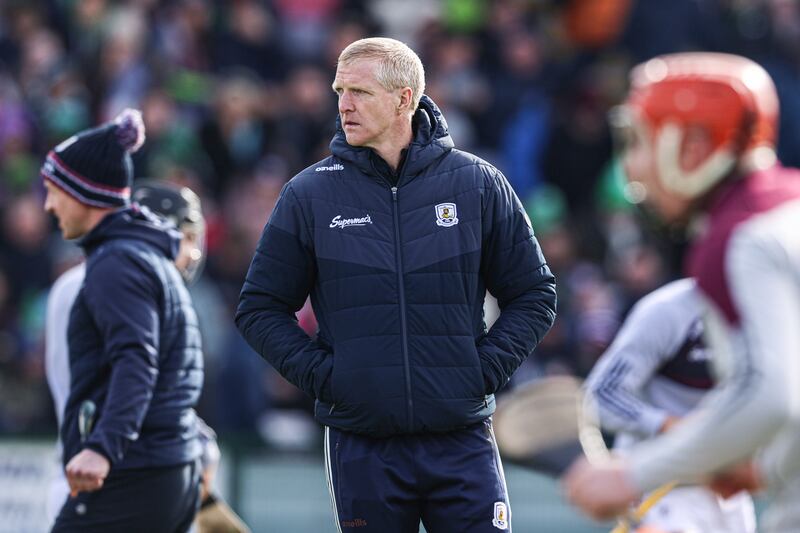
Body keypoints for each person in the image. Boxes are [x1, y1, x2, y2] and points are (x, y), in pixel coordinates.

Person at [235, 37, 557, 532]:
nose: (344, 104)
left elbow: (534, 294)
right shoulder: (309, 194)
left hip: (461, 435)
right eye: (340, 90)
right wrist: (330, 379)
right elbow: (259, 308)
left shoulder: (477, 184)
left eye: (360, 92)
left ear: (405, 99)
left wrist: (482, 370)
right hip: (363, 444)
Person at [563, 52, 800, 533]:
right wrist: (762, 467)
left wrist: (633, 475)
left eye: (642, 140)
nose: (633, 164)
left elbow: (772, 397)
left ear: (691, 146)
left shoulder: (737, 237)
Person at [44, 179, 250, 533]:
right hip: (113, 474)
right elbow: (111, 386)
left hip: (118, 466)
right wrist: (195, 442)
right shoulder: (109, 279)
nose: (194, 253)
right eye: (186, 236)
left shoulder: (112, 275)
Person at [42, 109, 204, 533]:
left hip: (132, 472)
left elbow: (136, 361)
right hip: (161, 467)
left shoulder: (117, 264)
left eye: (53, 190)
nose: (48, 204)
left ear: (82, 193)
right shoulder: (143, 256)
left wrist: (102, 447)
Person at [583, 278, 755, 532]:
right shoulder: (668, 309)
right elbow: (601, 393)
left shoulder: (773, 306)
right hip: (661, 488)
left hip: (730, 490)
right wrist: (672, 427)